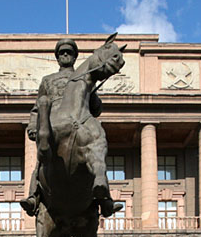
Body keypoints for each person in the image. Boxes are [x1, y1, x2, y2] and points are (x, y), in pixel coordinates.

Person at [19, 38, 123, 218]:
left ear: (75, 57)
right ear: (57, 57)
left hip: (80, 121)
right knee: (42, 158)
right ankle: (33, 196)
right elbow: (37, 107)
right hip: (52, 121)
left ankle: (105, 199)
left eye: (69, 52)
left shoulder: (84, 76)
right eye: (62, 52)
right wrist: (33, 126)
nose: (65, 55)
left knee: (97, 149)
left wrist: (93, 94)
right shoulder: (48, 80)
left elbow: (96, 108)